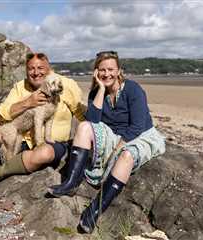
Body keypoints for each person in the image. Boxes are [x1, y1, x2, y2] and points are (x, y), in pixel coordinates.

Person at [48, 51, 166, 233]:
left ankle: (94, 211)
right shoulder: (97, 92)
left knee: (126, 156)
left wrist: (116, 149)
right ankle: (70, 184)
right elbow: (93, 121)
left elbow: (136, 127)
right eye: (102, 70)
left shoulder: (133, 89)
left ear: (119, 71)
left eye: (111, 69)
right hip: (112, 134)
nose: (107, 74)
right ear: (96, 72)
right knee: (84, 127)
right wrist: (101, 89)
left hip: (140, 135)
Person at [0, 52, 85, 184]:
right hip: (20, 137)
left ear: (49, 69)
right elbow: (1, 114)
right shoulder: (20, 86)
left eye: (40, 68)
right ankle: (4, 161)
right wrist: (27, 102)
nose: (35, 73)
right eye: (31, 69)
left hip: (51, 143)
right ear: (26, 71)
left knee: (44, 153)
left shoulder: (66, 84)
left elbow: (81, 113)